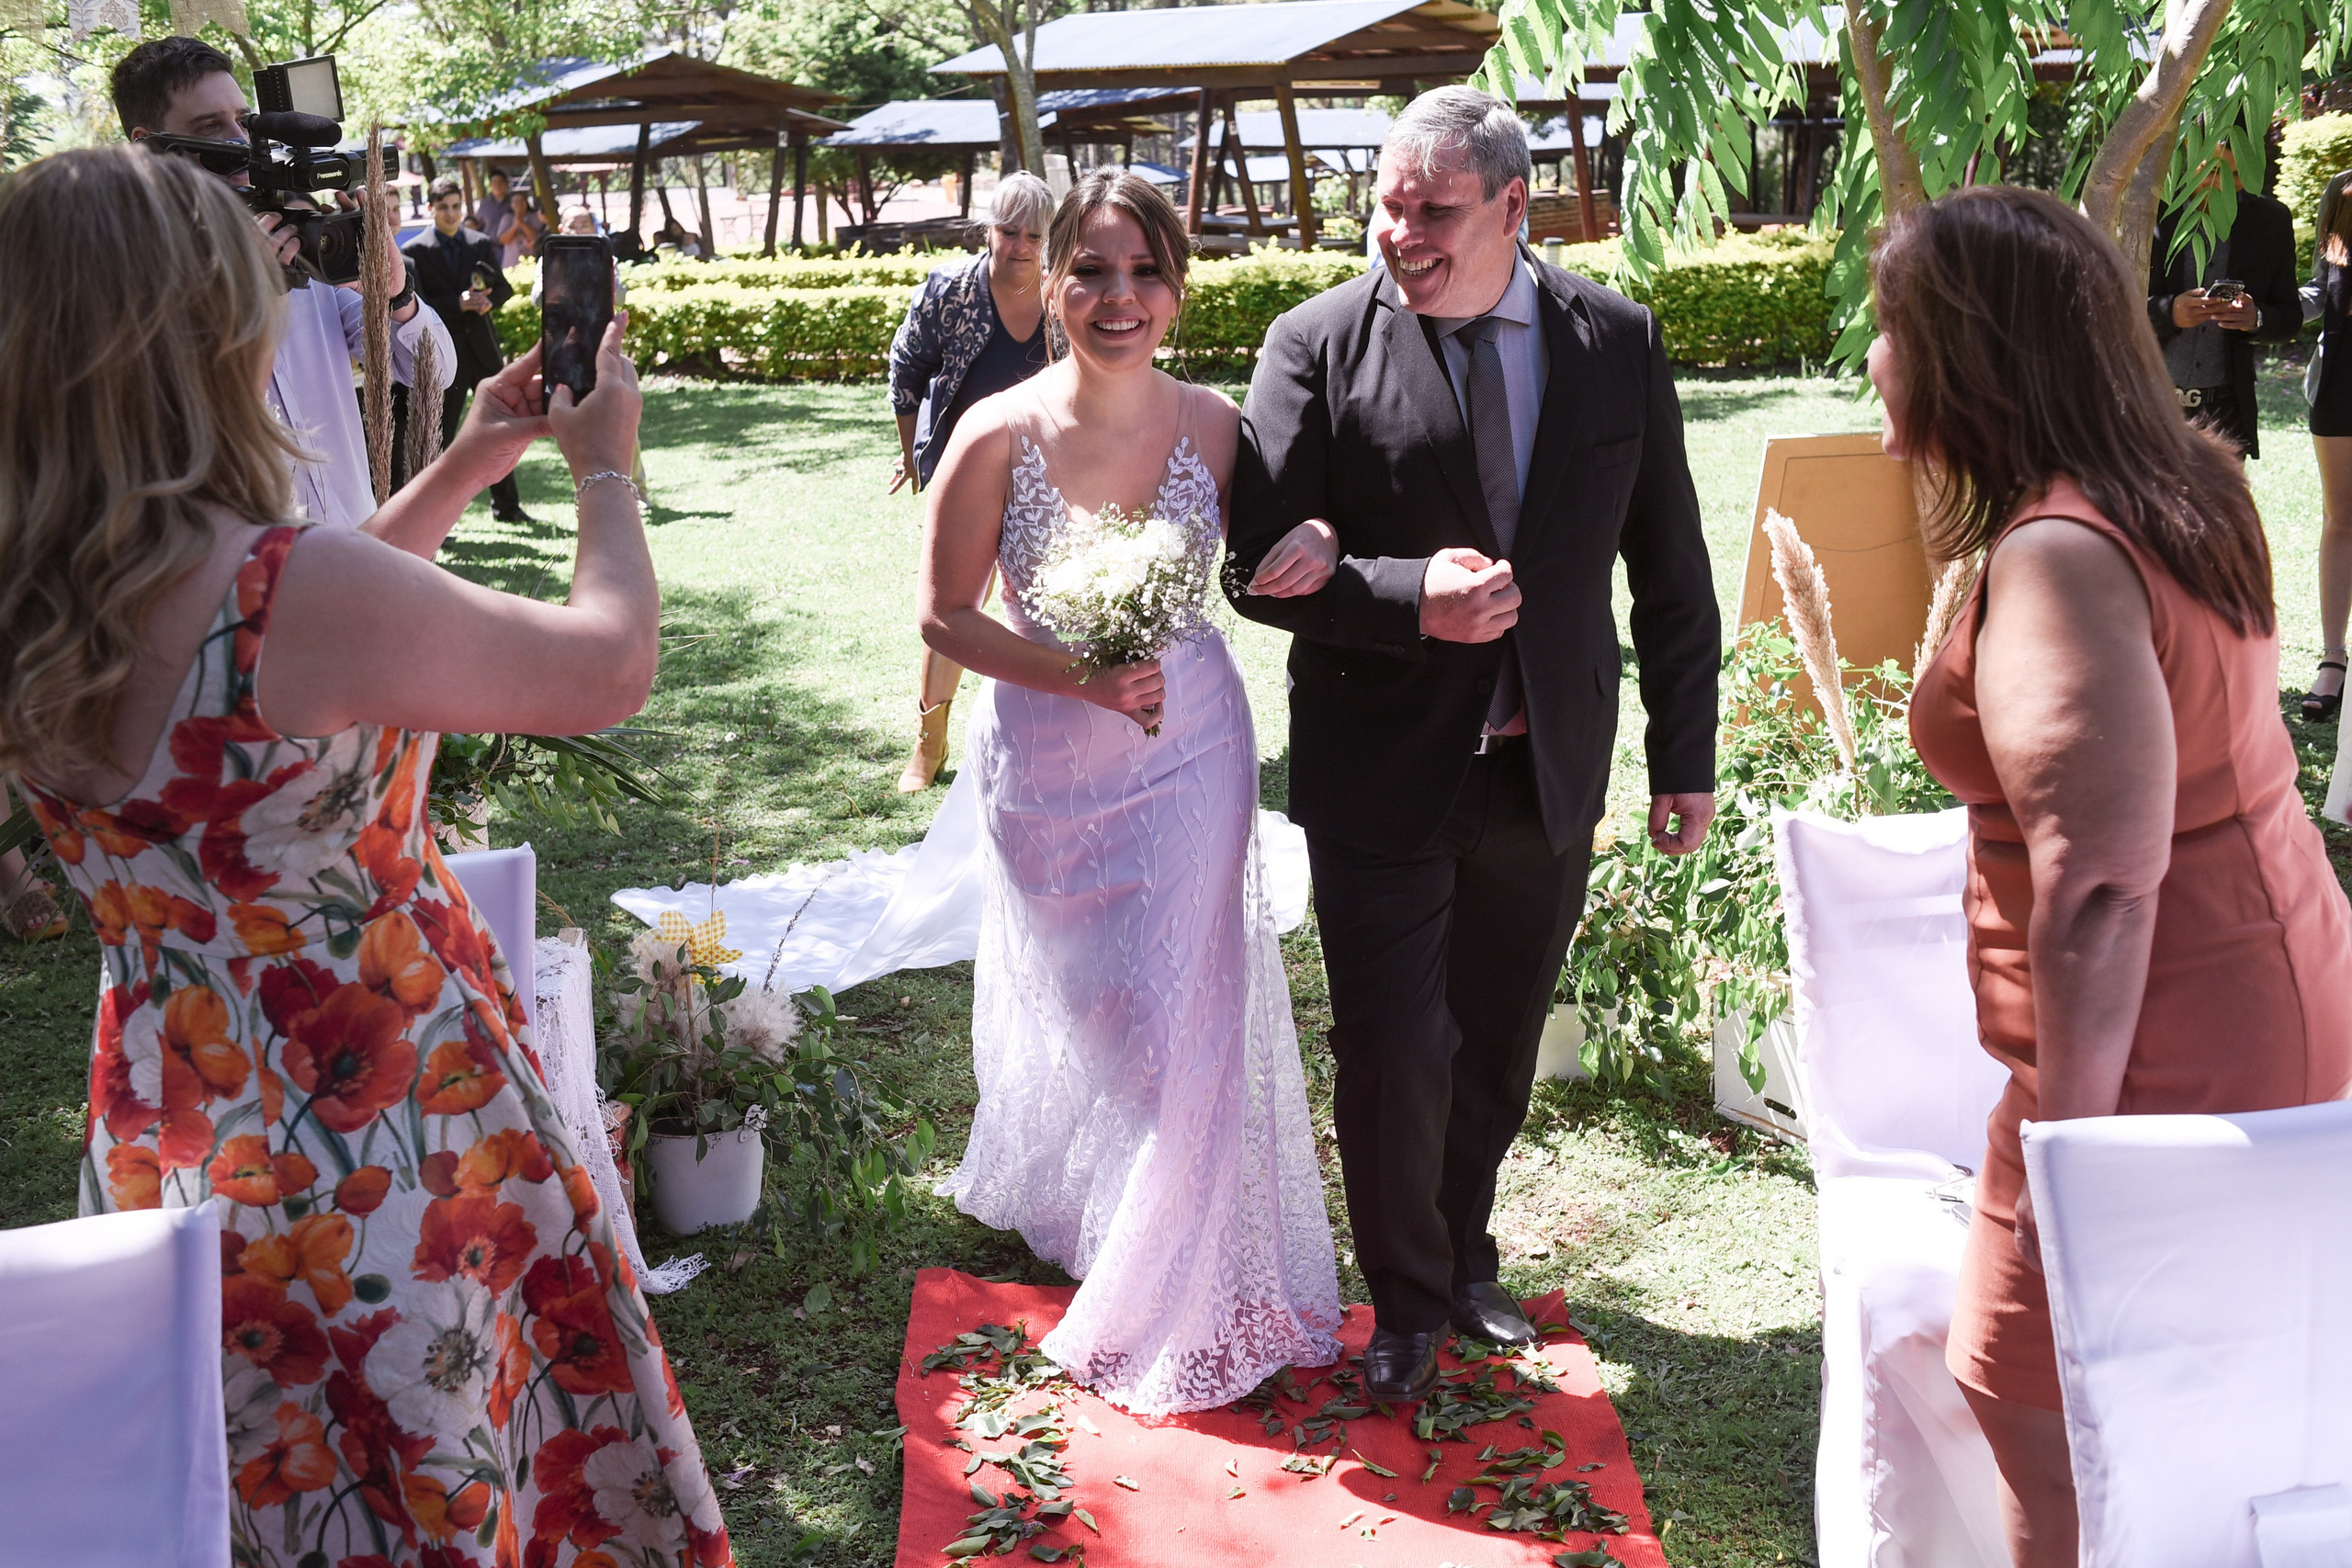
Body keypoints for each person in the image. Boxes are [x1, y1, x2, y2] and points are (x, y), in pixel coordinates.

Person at [0, 146, 731, 1568]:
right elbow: (608, 666)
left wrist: (461, 463)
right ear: (192, 337)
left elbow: (282, 686)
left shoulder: (42, 580)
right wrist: (607, 473)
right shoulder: (289, 588)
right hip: (382, 1127)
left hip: (175, 1112)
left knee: (269, 1485)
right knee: (439, 1480)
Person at [1223, 85, 1721, 1402]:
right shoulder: (1312, 344)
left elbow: (1670, 564)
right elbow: (1252, 566)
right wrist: (1402, 597)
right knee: (1395, 1044)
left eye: (1434, 209)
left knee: (1495, 1037)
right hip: (1381, 765)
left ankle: (1461, 1246)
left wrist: (1686, 753)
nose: (1399, 232)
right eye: (1386, 204)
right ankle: (1404, 1298)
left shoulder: (1616, 340)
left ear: (1515, 205)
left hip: (1547, 759)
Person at [1883, 184, 2352, 1565]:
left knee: (2048, 1418)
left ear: (1970, 352)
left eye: (1887, 327)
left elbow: (2099, 884)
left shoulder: (2058, 554)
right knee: (2171, 1423)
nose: (1872, 358)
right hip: (2264, 990)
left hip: (2159, 1054)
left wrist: (2072, 1168)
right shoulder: (2183, 480)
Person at [917, 170, 1347, 1414]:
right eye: (1092, 271)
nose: (1120, 297)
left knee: (1188, 1013)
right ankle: (1107, 1207)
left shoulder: (1217, 426)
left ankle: (1188, 1275)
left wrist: (1314, 535)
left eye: (1144, 271)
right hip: (1049, 766)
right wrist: (1080, 676)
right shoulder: (995, 433)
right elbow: (943, 613)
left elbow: (1285, 551)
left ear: (1177, 287)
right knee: (1108, 1017)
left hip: (1192, 746)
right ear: (1049, 283)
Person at [113, 36, 454, 532]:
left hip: (358, 551)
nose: (242, 146)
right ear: (149, 148)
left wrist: (397, 296)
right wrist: (243, 298)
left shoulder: (310, 246)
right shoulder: (126, 285)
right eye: (210, 128)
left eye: (245, 123)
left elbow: (433, 373)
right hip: (245, 584)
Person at [885, 171, 1053, 792]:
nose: (1020, 248)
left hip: (1046, 469)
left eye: (1035, 235)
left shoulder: (1064, 292)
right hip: (966, 470)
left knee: (1051, 605)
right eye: (1008, 232)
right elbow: (906, 367)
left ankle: (1050, 731)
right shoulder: (951, 291)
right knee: (955, 609)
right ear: (989, 229)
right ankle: (929, 743)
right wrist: (913, 454)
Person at [2145, 152, 2298, 461]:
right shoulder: (2149, 210)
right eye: (2214, 172)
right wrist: (2167, 312)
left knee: (2219, 510)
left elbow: (2289, 317)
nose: (2224, 187)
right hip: (2146, 406)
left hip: (2224, 411)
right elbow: (2108, 305)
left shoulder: (2272, 220)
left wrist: (2255, 317)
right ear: (2190, 154)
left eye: (2237, 176)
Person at [404, 175, 532, 522]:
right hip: (447, 356)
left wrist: (488, 301)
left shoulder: (479, 242)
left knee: (501, 429)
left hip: (483, 350)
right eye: (443, 207)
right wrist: (456, 304)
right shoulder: (413, 251)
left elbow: (502, 289)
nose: (451, 213)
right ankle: (435, 514)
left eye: (456, 206)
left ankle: (507, 507)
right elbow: (419, 305)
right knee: (441, 433)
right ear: (431, 209)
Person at [2300, 169, 2352, 719]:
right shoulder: (2343, 189)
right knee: (2341, 519)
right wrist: (2266, 307)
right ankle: (2333, 660)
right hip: (2341, 378)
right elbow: (2320, 287)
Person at [500, 187, 548, 268]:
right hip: (511, 264)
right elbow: (503, 240)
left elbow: (536, 237)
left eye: (522, 201)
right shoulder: (507, 218)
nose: (519, 204)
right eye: (515, 201)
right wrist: (516, 223)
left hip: (531, 262)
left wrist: (521, 222)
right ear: (511, 204)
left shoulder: (535, 216)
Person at [470, 166, 513, 237]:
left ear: (506, 184)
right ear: (490, 185)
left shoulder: (513, 202)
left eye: (500, 181)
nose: (497, 184)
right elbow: (478, 223)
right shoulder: (485, 204)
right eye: (494, 182)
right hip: (489, 245)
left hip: (510, 245)